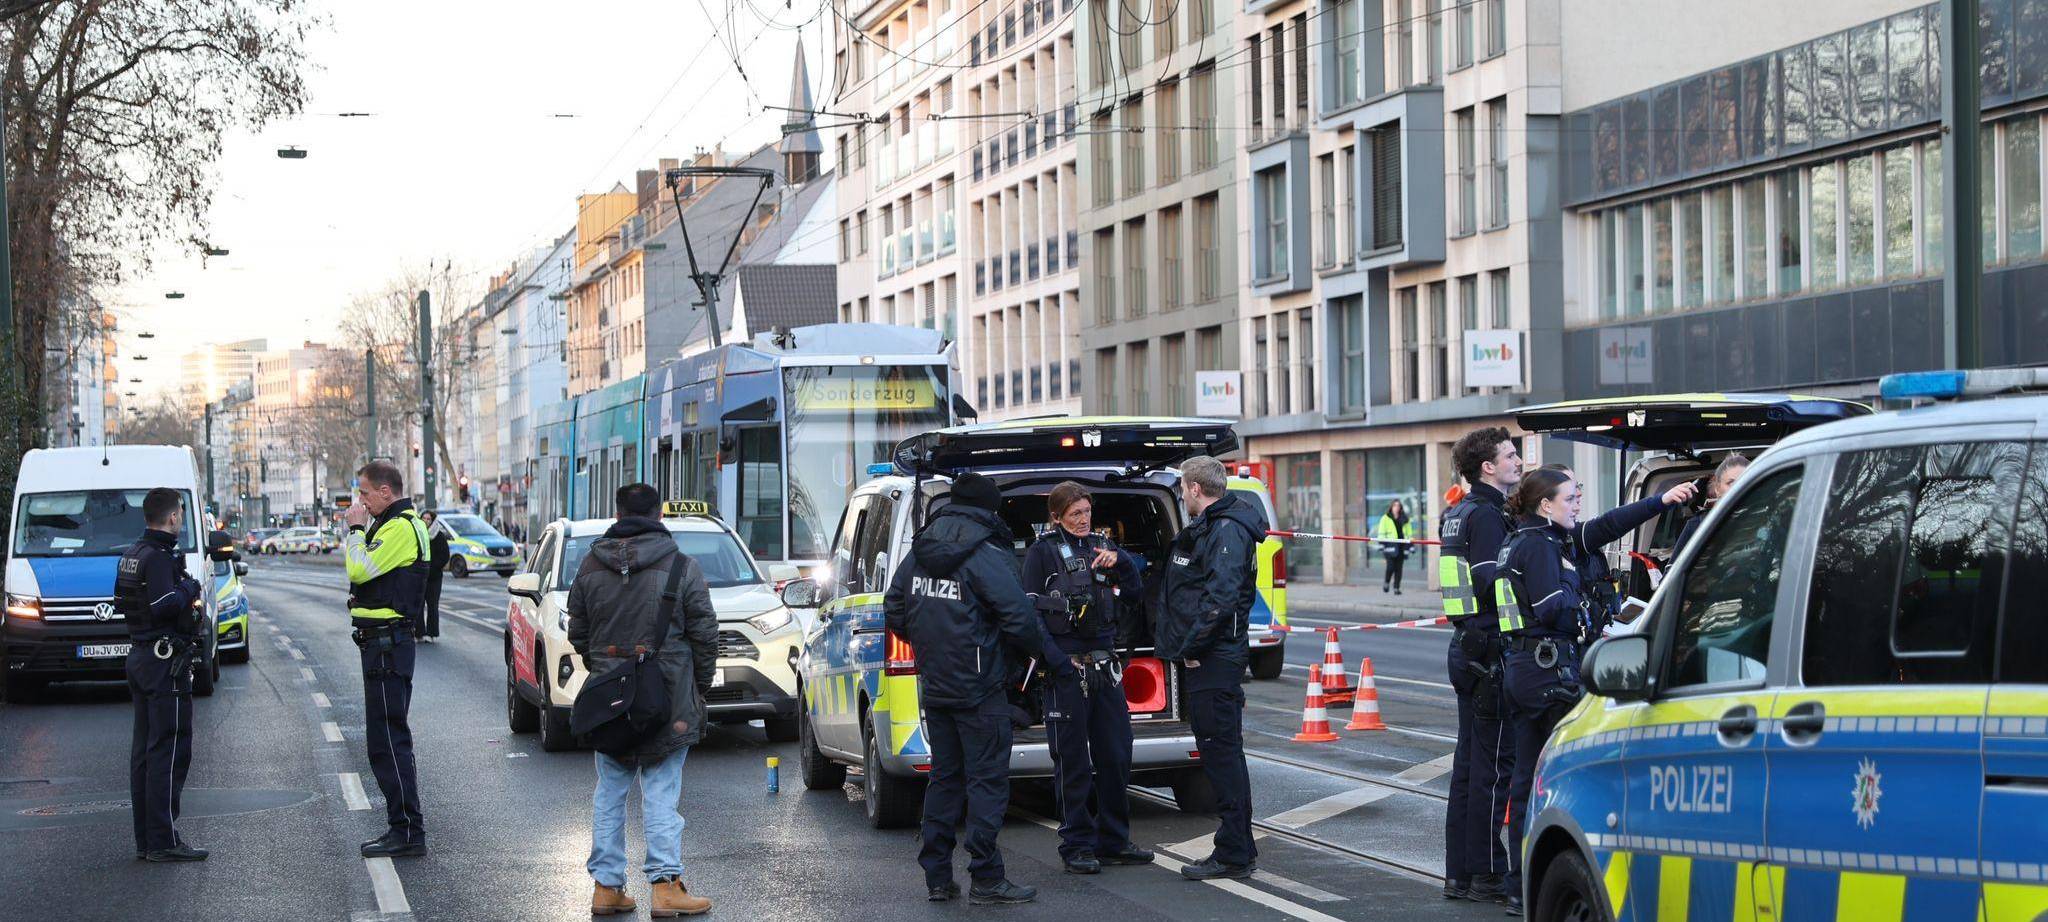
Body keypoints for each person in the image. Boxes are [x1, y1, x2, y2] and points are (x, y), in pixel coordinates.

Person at [1495, 468, 1695, 914]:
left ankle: (1518, 882)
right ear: (1546, 505)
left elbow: (1607, 525)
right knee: (1559, 778)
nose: (1577, 503)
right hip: (1546, 673)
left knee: (1527, 778)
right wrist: (1580, 591)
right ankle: (1543, 879)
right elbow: (1554, 610)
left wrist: (1658, 503)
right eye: (1570, 497)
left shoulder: (1535, 537)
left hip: (1527, 669)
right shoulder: (1541, 545)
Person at [885, 472, 1073, 905]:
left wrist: (932, 646)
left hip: (936, 683)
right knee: (987, 781)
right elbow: (1020, 619)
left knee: (945, 779)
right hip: (980, 687)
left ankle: (937, 874)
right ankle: (986, 877)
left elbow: (894, 607)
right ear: (989, 509)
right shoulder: (985, 552)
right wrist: (1015, 660)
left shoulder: (921, 550)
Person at [567, 482, 718, 918]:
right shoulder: (681, 566)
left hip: (610, 697)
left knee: (610, 791)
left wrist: (606, 669)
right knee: (661, 792)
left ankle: (607, 887)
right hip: (668, 696)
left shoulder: (590, 565)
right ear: (659, 516)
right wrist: (698, 686)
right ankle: (666, 887)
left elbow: (578, 630)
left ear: (617, 514)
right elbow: (704, 635)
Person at [1019, 481, 1156, 875]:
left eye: (1087, 512)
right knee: (1074, 761)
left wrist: (1123, 562)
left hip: (1105, 667)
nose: (1083, 520)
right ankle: (1077, 844)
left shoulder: (1103, 547)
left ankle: (1115, 840)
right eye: (1074, 514)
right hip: (1068, 672)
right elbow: (1031, 616)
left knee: (1115, 755)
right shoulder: (1041, 555)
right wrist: (1059, 663)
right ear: (1056, 517)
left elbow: (1134, 595)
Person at [1157, 455, 1268, 881]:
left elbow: (1220, 600)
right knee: (1222, 753)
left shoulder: (1225, 531)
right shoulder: (1219, 527)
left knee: (1221, 755)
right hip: (1213, 656)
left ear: (1195, 489)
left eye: (1183, 488)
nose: (1182, 494)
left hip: (1214, 659)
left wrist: (1190, 647)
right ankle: (1237, 846)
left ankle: (1235, 852)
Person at [1436, 426, 1521, 904]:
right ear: (1487, 466)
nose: (1518, 461)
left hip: (1467, 646)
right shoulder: (1488, 516)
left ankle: (1461, 873)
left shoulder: (1457, 513)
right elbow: (1496, 582)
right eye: (1510, 455)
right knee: (1491, 769)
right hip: (1489, 648)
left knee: (1469, 766)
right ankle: (1487, 872)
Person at [344, 461, 431, 858]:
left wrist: (355, 530)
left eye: (364, 493)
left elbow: (360, 569)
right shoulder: (397, 524)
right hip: (383, 644)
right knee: (387, 739)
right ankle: (405, 828)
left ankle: (407, 831)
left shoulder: (398, 527)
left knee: (388, 742)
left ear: (385, 491)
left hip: (387, 647)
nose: (359, 501)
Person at [119, 488, 208, 862]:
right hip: (163, 663)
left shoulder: (132, 555)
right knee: (169, 751)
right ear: (173, 517)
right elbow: (162, 605)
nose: (182, 520)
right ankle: (164, 841)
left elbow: (124, 602)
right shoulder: (157, 558)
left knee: (145, 752)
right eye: (181, 515)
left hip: (141, 657)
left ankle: (147, 839)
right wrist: (190, 586)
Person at [1674, 453, 1750, 555]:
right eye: (1730, 483)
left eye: (1744, 480)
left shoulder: (1768, 518)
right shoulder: (1698, 524)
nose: (1738, 487)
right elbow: (1675, 567)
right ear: (1717, 489)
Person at [419, 510, 450, 642]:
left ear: (432, 521)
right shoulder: (417, 534)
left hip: (434, 577)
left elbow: (445, 556)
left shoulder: (439, 536)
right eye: (424, 518)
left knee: (432, 606)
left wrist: (433, 568)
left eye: (428, 519)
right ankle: (419, 633)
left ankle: (431, 634)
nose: (426, 521)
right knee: (418, 606)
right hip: (419, 577)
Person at [1376, 500, 1413, 594]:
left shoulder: (1405, 519)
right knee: (1390, 566)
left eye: (1398, 506)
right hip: (1389, 545)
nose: (1396, 507)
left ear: (1400, 507)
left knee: (1399, 568)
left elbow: (1409, 534)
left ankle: (1396, 588)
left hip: (1401, 546)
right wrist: (1381, 544)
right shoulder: (1385, 518)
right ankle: (1386, 582)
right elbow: (1381, 532)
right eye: (1395, 505)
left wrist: (1411, 545)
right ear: (1391, 507)